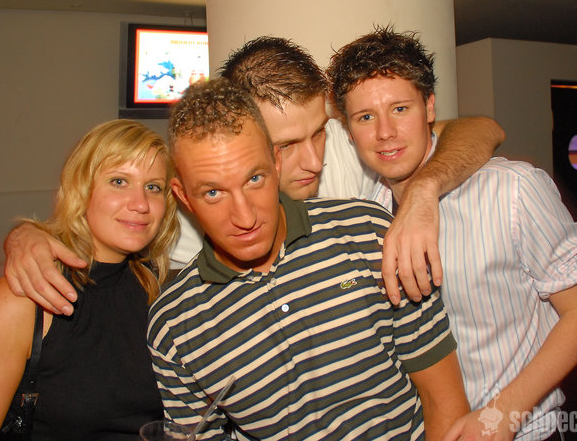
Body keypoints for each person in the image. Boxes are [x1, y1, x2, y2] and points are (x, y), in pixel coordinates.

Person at [2, 36, 504, 314]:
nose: (314, 160)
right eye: (285, 146)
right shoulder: (194, 215)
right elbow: (112, 228)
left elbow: (481, 129)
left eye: (318, 132)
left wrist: (423, 193)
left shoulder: (346, 146)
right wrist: (27, 237)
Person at [147, 78, 470, 440]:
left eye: (255, 179)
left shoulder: (368, 233)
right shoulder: (174, 326)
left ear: (276, 163)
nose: (245, 217)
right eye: (213, 193)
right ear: (183, 197)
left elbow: (443, 399)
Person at [326, 26, 577, 441]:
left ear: (429, 107)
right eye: (365, 117)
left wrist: (502, 415)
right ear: (349, 130)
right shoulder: (365, 214)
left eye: (400, 109)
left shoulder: (512, 190)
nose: (385, 132)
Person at [0, 120, 179, 440]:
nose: (140, 204)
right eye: (119, 181)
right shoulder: (23, 298)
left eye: (153, 187)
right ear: (81, 189)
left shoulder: (154, 287)